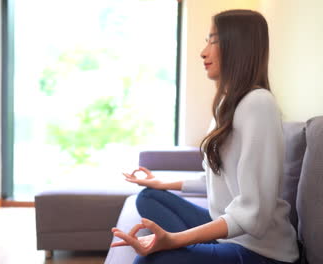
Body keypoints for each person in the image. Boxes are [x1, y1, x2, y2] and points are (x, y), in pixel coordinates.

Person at [110, 9, 299, 264]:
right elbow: (217, 179)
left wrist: (174, 241)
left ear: (237, 46)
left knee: (148, 261)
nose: (203, 51)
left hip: (260, 253)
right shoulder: (226, 106)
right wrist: (161, 183)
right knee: (148, 197)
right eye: (206, 41)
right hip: (230, 237)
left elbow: (253, 214)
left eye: (213, 40)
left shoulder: (258, 104)